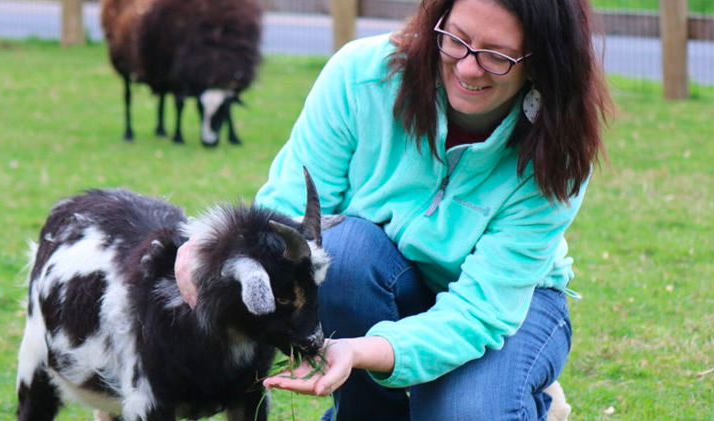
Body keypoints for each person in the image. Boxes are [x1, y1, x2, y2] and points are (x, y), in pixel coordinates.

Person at [175, 0, 612, 418]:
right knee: (340, 251)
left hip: (505, 305)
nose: (466, 67)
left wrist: (361, 350)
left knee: (469, 413)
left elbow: (481, 310)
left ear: (540, 62)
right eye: (456, 39)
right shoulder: (360, 76)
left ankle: (524, 401)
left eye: (497, 56)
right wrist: (220, 250)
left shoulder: (560, 151)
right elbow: (285, 216)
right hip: (382, 278)